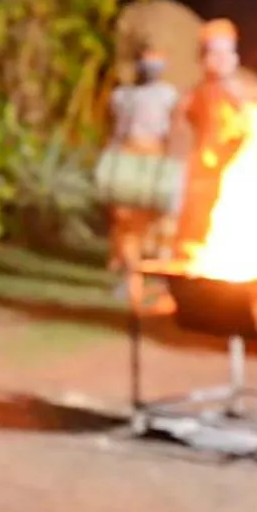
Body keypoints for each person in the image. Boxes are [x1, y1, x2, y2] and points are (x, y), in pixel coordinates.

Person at [106, 47, 180, 313]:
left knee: (163, 222)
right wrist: (111, 162)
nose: (150, 70)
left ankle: (165, 284)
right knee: (126, 221)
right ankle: (130, 279)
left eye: (156, 65)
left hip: (156, 158)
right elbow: (117, 131)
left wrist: (171, 163)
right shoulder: (123, 96)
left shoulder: (168, 95)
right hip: (129, 158)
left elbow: (173, 130)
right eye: (146, 65)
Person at [173, 19, 252, 253]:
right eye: (213, 54)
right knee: (195, 223)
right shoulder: (194, 94)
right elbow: (178, 129)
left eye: (226, 53)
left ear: (236, 57)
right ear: (202, 60)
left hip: (236, 172)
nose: (221, 60)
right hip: (201, 170)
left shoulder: (245, 94)